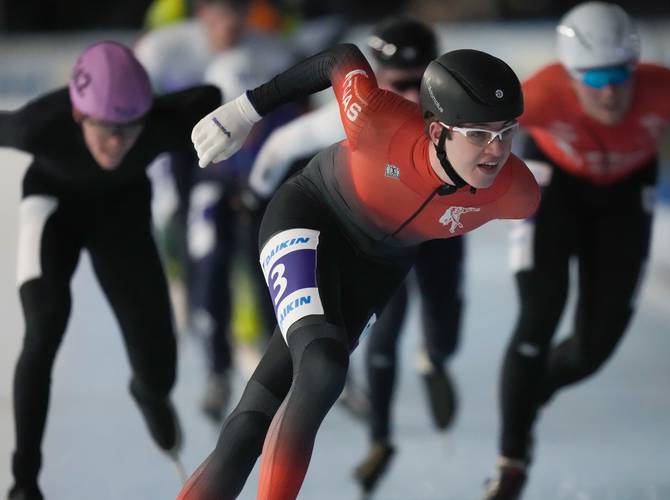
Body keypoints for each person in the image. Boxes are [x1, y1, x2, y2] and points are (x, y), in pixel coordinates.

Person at [178, 39, 539, 500]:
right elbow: (340, 58)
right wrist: (245, 111)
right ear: (436, 132)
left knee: (266, 400)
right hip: (313, 214)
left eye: (506, 132)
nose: (495, 151)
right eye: (477, 134)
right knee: (324, 366)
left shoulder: (516, 193)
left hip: (378, 265)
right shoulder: (375, 119)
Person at [482, 3, 670, 499]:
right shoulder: (540, 93)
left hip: (626, 197)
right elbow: (460, 123)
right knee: (539, 314)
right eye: (593, 77)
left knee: (594, 349)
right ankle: (512, 462)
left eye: (618, 74)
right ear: (570, 75)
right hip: (554, 185)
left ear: (635, 68)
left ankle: (529, 392)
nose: (608, 91)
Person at [249, 16, 465, 494]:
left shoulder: (456, 116)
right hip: (381, 238)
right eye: (397, 83)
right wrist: (253, 195)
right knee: (386, 332)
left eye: (419, 82)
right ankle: (381, 437)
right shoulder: (353, 114)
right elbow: (281, 145)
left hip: (440, 227)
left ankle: (434, 359)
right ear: (378, 79)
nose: (409, 95)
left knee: (445, 319)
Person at [0, 41, 221, 500]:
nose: (118, 142)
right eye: (107, 129)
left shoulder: (160, 123)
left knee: (159, 372)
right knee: (43, 328)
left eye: (130, 128)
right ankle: (24, 480)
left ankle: (149, 393)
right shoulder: (38, 126)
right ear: (80, 116)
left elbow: (212, 96)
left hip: (122, 217)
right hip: (53, 208)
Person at [136, 0, 302, 422]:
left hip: (252, 188)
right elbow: (156, 134)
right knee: (205, 264)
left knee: (264, 270)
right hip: (195, 187)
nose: (228, 24)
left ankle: (264, 360)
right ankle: (217, 366)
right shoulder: (164, 50)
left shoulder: (271, 53)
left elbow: (300, 128)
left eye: (238, 13)